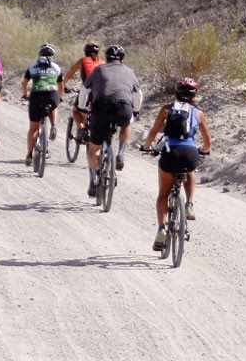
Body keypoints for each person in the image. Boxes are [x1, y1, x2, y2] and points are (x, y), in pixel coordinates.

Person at [141, 77, 212, 250]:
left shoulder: (167, 109)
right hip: (189, 153)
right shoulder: (199, 113)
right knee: (190, 169)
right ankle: (189, 205)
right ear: (194, 95)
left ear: (176, 93)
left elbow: (154, 131)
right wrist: (203, 151)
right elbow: (207, 141)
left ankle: (161, 230)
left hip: (169, 152)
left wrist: (146, 147)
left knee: (163, 194)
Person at [83, 44, 142, 197]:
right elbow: (138, 95)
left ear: (107, 58)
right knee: (127, 122)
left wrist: (83, 107)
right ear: (122, 59)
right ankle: (121, 153)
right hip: (123, 107)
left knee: (93, 148)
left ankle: (93, 181)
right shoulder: (129, 71)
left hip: (101, 108)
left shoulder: (98, 70)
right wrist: (136, 110)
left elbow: (84, 90)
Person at [21, 43, 64, 166]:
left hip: (36, 95)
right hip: (51, 94)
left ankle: (29, 154)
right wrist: (59, 97)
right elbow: (61, 86)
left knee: (33, 129)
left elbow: (24, 83)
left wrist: (25, 94)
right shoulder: (56, 67)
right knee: (54, 104)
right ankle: (53, 125)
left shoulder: (32, 66)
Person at [63, 41, 102, 138]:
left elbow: (70, 73)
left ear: (85, 51)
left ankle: (81, 128)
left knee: (76, 110)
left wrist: (62, 84)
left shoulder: (83, 60)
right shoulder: (103, 63)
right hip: (101, 91)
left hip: (87, 90)